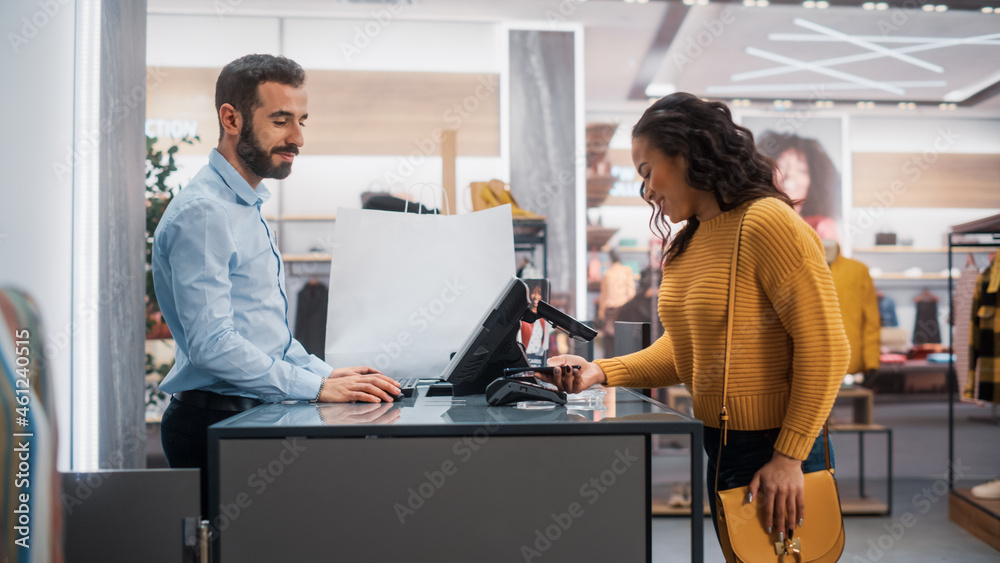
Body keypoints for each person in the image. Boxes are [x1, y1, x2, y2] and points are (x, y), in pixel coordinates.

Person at [542, 92, 849, 543]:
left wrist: (789, 456)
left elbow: (826, 348)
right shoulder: (688, 243)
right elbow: (686, 350)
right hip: (721, 442)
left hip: (778, 445)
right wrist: (600, 371)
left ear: (687, 153)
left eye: (647, 172)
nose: (646, 190)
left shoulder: (768, 222)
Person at [152, 54, 400, 515]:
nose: (298, 138)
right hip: (215, 420)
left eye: (302, 121)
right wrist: (313, 387)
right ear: (231, 118)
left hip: (248, 412)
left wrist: (324, 374)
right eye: (281, 120)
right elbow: (212, 345)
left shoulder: (244, 205)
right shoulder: (205, 213)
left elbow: (266, 335)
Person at [755, 131, 841, 241]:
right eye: (782, 165)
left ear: (812, 181)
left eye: (801, 170)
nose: (790, 174)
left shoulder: (822, 228)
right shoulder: (753, 222)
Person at [597, 249, 636, 357]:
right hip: (624, 310)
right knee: (625, 344)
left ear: (610, 259)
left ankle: (608, 370)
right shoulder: (627, 270)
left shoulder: (607, 273)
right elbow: (631, 293)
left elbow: (603, 296)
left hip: (610, 311)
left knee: (609, 345)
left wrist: (600, 314)